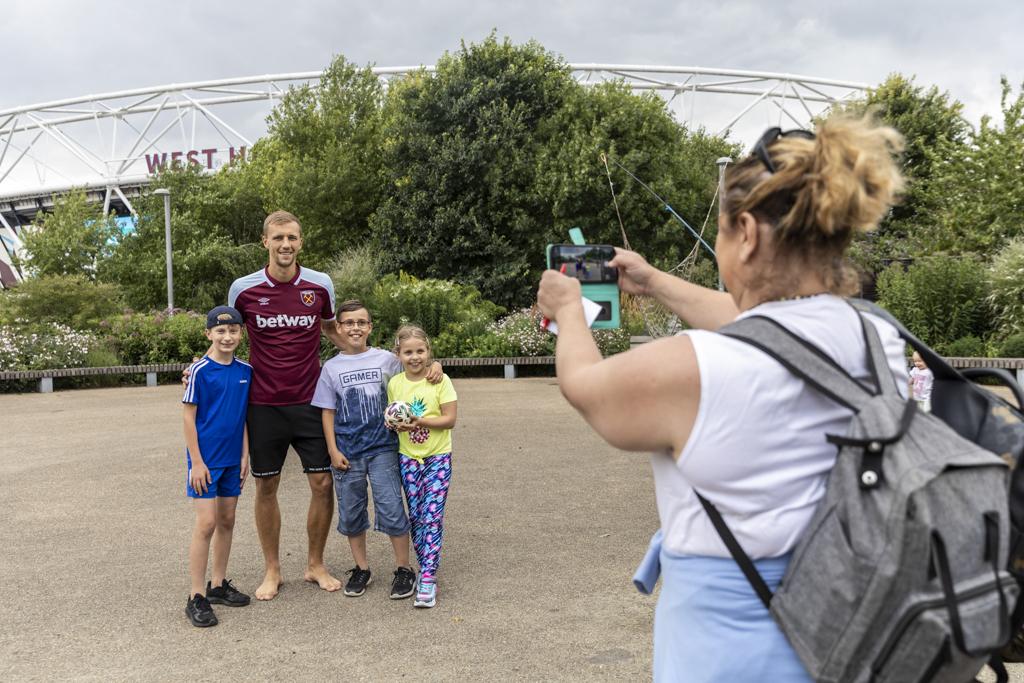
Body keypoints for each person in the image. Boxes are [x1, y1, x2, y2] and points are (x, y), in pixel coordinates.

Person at [537, 116, 909, 681]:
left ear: (748, 234)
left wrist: (567, 309)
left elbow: (587, 387)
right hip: (853, 629)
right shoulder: (875, 335)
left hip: (735, 648)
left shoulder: (701, 366)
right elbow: (769, 325)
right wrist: (656, 281)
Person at [310, 300, 416, 600]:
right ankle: (361, 568)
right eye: (348, 323)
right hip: (348, 452)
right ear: (339, 328)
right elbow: (327, 412)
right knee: (352, 512)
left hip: (384, 448)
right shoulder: (331, 368)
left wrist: (435, 366)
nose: (355, 327)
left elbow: (414, 371)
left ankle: (404, 569)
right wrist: (332, 449)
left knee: (392, 508)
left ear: (370, 327)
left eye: (361, 322)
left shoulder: (387, 361)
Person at [182, 306, 253, 627]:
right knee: (206, 523)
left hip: (231, 461)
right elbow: (188, 417)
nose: (227, 337)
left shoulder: (245, 370)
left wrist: (244, 455)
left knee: (227, 520)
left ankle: (218, 585)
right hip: (205, 462)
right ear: (208, 334)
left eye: (233, 331)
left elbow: (243, 417)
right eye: (220, 331)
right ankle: (196, 595)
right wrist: (196, 462)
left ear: (241, 334)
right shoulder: (199, 371)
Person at [387, 325, 458, 609]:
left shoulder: (440, 380)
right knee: (415, 516)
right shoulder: (395, 383)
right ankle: (424, 565)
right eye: (408, 352)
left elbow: (450, 419)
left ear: (428, 352)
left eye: (420, 351)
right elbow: (394, 416)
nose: (415, 357)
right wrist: (392, 423)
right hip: (408, 457)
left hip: (437, 456)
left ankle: (428, 577)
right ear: (398, 354)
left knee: (432, 515)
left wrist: (421, 421)